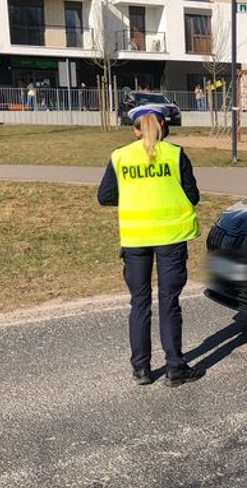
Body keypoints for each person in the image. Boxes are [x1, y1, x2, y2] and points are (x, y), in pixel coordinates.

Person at [97, 105, 204, 387]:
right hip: (171, 237)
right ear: (164, 127)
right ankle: (174, 367)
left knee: (139, 303)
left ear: (134, 129)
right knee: (169, 302)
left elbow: (105, 196)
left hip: (135, 240)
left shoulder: (120, 156)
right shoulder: (175, 154)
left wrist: (134, 197)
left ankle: (141, 369)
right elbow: (193, 195)